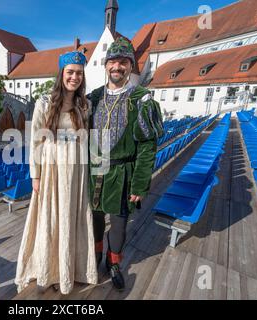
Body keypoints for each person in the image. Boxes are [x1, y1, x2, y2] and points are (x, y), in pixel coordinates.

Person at [15, 51, 98, 295]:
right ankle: (49, 269)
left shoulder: (85, 105)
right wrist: (35, 175)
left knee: (73, 218)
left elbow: (87, 139)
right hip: (52, 170)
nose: (74, 77)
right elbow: (37, 142)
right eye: (70, 72)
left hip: (76, 171)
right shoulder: (43, 103)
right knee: (51, 219)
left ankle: (73, 269)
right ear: (61, 73)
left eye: (79, 73)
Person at [88, 38, 164, 291]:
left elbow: (147, 147)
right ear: (106, 65)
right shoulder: (93, 98)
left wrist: (140, 183)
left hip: (122, 172)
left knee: (119, 223)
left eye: (123, 62)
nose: (117, 67)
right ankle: (96, 256)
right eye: (113, 61)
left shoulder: (142, 100)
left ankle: (114, 262)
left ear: (130, 66)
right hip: (95, 170)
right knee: (96, 220)